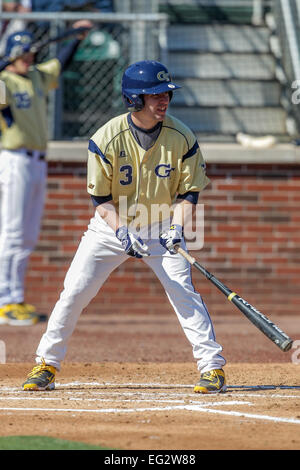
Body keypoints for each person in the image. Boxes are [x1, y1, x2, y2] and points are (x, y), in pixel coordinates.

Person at [22, 60, 226, 393]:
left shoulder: (182, 136)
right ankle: (46, 363)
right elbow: (100, 200)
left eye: (165, 94)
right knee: (74, 292)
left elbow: (190, 192)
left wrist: (177, 229)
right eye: (154, 95)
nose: (163, 101)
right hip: (111, 228)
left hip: (161, 226)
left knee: (183, 292)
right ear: (134, 99)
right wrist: (120, 231)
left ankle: (213, 368)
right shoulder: (106, 137)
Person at [0, 20, 93, 326]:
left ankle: (16, 297)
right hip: (14, 158)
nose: (29, 58)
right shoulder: (4, 81)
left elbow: (60, 64)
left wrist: (76, 39)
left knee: (28, 234)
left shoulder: (37, 77)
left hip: (38, 161)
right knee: (12, 232)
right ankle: (4, 300)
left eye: (30, 53)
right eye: (23, 53)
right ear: (12, 53)